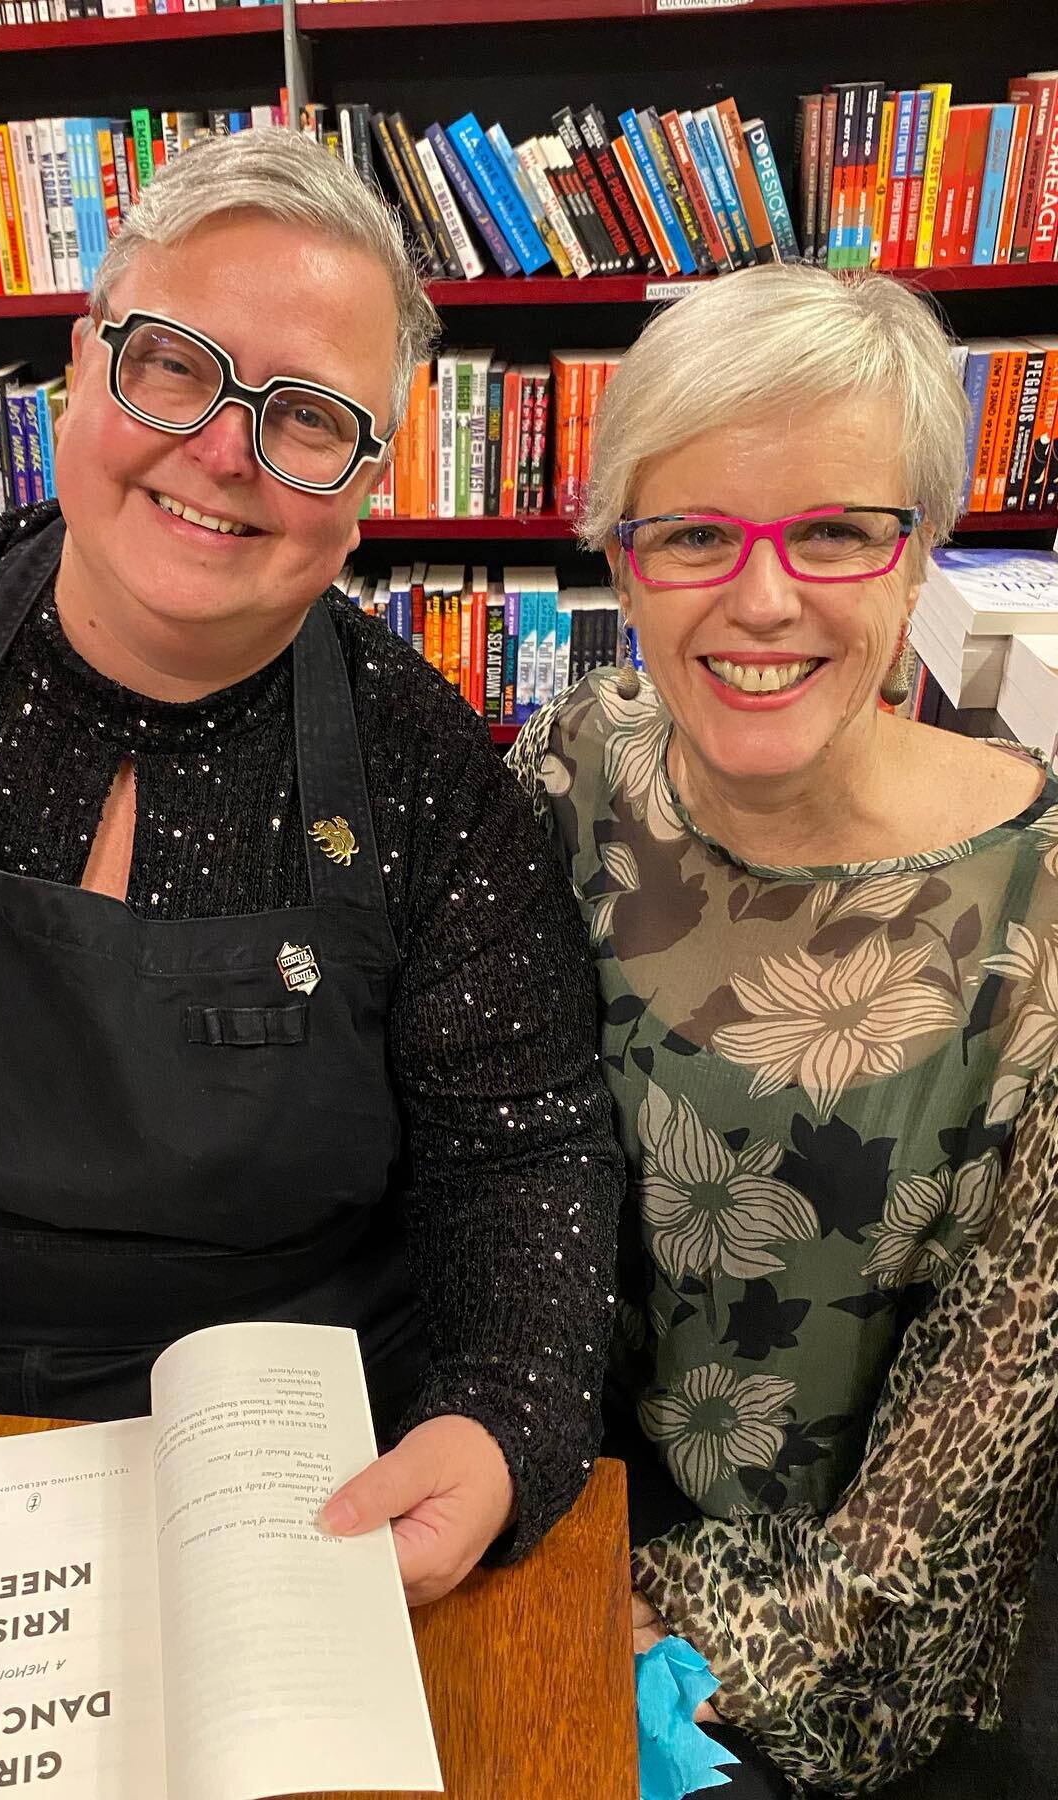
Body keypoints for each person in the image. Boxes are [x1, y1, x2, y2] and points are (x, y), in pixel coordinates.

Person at [0, 128, 625, 1605]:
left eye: (304, 416)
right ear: (83, 361)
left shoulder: (430, 779)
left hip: (292, 1493)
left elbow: (524, 1149)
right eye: (174, 364)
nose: (223, 451)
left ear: (365, 482)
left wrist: (502, 1426)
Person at [511, 263, 1058, 1794]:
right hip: (516, 1541)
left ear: (920, 556)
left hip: (813, 1682)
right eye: (694, 533)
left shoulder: (1044, 933)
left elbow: (952, 1499)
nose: (761, 598)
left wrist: (635, 1623)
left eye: (832, 529)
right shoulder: (575, 771)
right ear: (623, 560)